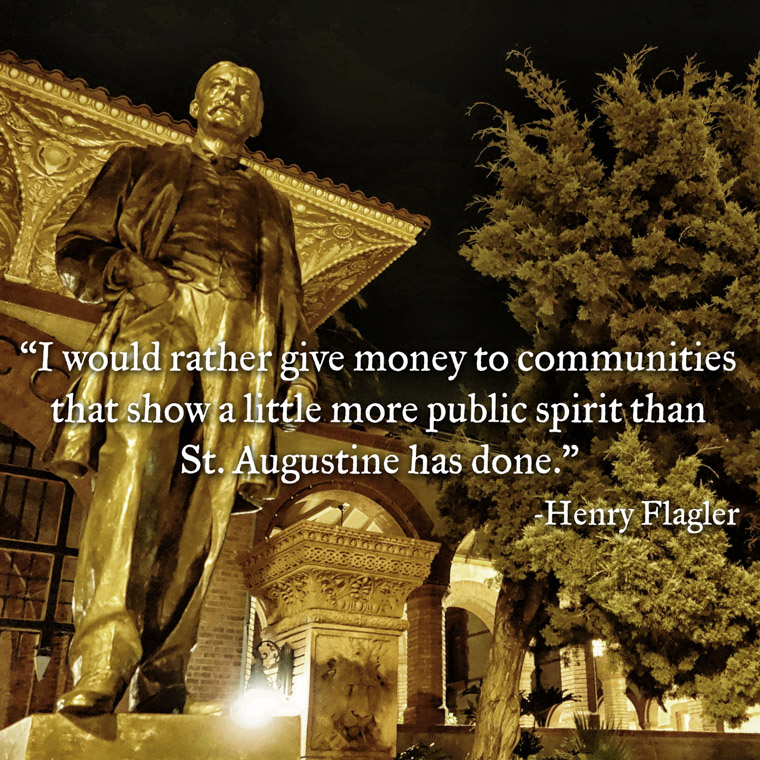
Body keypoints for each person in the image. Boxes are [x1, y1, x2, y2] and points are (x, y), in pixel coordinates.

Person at [44, 61, 315, 715]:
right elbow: (76, 250)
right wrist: (136, 275)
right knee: (133, 482)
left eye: (245, 93)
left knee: (203, 514)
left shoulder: (272, 202)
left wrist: (298, 372)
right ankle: (104, 661)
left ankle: (165, 673)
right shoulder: (141, 163)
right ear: (195, 101)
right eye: (218, 86)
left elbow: (289, 299)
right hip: (155, 323)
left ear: (258, 120)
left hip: (241, 353)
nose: (230, 97)